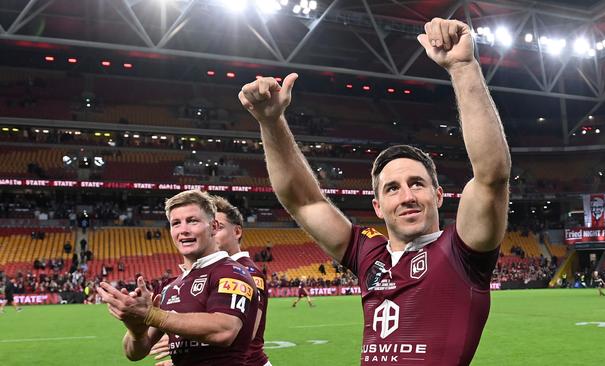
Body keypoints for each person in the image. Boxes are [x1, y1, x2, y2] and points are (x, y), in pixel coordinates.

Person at [239, 17, 510, 365]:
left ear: (439, 195)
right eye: (392, 189)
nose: (407, 196)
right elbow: (303, 202)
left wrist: (462, 67)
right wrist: (271, 123)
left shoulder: (463, 253)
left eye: (417, 184)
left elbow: (492, 175)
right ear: (378, 207)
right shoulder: (369, 255)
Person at [97, 189, 259, 365]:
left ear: (213, 227)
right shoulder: (169, 288)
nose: (183, 230)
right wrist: (136, 328)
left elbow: (224, 331)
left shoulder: (233, 273)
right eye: (176, 223)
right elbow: (134, 353)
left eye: (192, 221)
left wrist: (152, 315)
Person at [149, 195, 271, 366]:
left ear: (236, 231)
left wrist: (181, 336)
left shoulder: (248, 272)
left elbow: (246, 333)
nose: (212, 233)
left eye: (218, 227)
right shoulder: (207, 271)